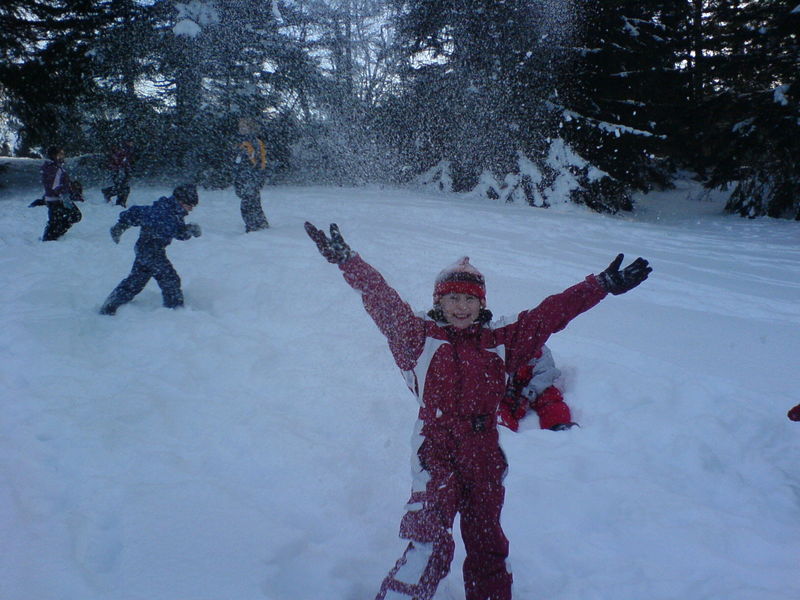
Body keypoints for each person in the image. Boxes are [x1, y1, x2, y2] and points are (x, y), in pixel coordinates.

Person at [304, 222, 652, 600]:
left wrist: (599, 285)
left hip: (483, 451)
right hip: (434, 448)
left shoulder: (501, 341)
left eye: (469, 299)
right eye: (452, 298)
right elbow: (382, 301)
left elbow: (549, 315)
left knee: (487, 543)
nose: (461, 306)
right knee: (428, 537)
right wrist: (349, 261)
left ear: (482, 303)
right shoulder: (417, 338)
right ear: (438, 302)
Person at [99, 184, 202, 315]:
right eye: (190, 205)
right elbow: (175, 231)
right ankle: (175, 311)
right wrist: (189, 230)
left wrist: (121, 225)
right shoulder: (166, 213)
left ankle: (110, 306)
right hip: (151, 250)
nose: (191, 209)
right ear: (181, 201)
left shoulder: (167, 208)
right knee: (170, 279)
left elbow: (137, 213)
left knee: (136, 281)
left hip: (146, 249)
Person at [498, 344, 577, 432]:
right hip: (504, 390)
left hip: (534, 387)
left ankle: (558, 424)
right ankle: (502, 429)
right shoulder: (498, 347)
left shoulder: (539, 349)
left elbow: (546, 374)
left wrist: (528, 395)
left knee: (550, 397)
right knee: (495, 405)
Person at [232, 117, 270, 232]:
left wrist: (257, 174)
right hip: (245, 178)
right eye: (240, 127)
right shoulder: (240, 141)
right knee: (253, 202)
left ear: (250, 128)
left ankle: (253, 225)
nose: (241, 129)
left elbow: (256, 161)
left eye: (244, 127)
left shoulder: (252, 142)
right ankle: (260, 223)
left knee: (248, 204)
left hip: (250, 178)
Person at [40, 146, 83, 241]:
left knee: (55, 220)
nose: (63, 156)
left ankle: (53, 235)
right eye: (60, 154)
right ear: (54, 155)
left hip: (53, 199)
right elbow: (56, 185)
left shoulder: (52, 167)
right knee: (75, 215)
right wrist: (65, 196)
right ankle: (52, 237)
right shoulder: (54, 168)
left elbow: (56, 183)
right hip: (57, 199)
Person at [102, 140, 134, 207]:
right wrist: (119, 167)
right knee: (122, 187)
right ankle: (119, 202)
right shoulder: (123, 149)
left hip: (122, 171)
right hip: (118, 171)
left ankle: (118, 200)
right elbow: (115, 161)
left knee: (123, 187)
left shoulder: (127, 149)